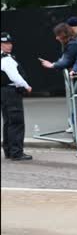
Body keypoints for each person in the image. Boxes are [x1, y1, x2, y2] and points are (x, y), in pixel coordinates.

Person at [1, 32, 33, 161]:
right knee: (16, 122)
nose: (9, 45)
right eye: (5, 43)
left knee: (8, 121)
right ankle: (16, 152)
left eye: (10, 43)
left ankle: (8, 150)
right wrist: (26, 86)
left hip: (4, 92)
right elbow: (14, 76)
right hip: (11, 91)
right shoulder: (6, 59)